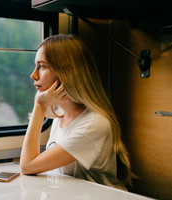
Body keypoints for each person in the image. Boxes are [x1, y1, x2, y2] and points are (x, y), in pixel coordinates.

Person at [20, 34, 133, 191]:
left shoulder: (95, 124)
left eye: (42, 66)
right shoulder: (60, 117)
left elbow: (27, 166)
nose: (33, 75)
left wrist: (39, 105)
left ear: (66, 71)